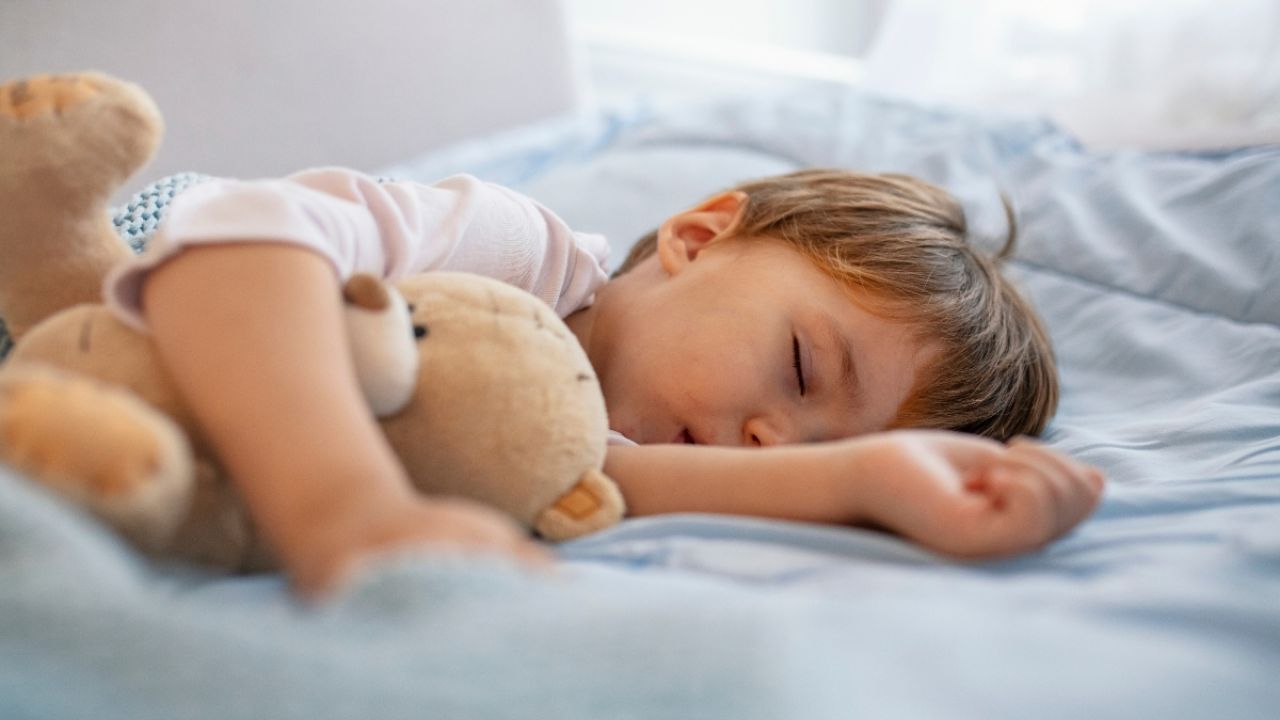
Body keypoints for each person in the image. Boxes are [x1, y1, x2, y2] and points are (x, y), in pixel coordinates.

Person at [111, 167, 1104, 595]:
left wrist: (872, 483)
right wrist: (342, 507)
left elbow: (603, 482)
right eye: (800, 368)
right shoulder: (511, 254)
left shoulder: (575, 449)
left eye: (820, 444)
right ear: (699, 235)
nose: (769, 447)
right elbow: (236, 241)